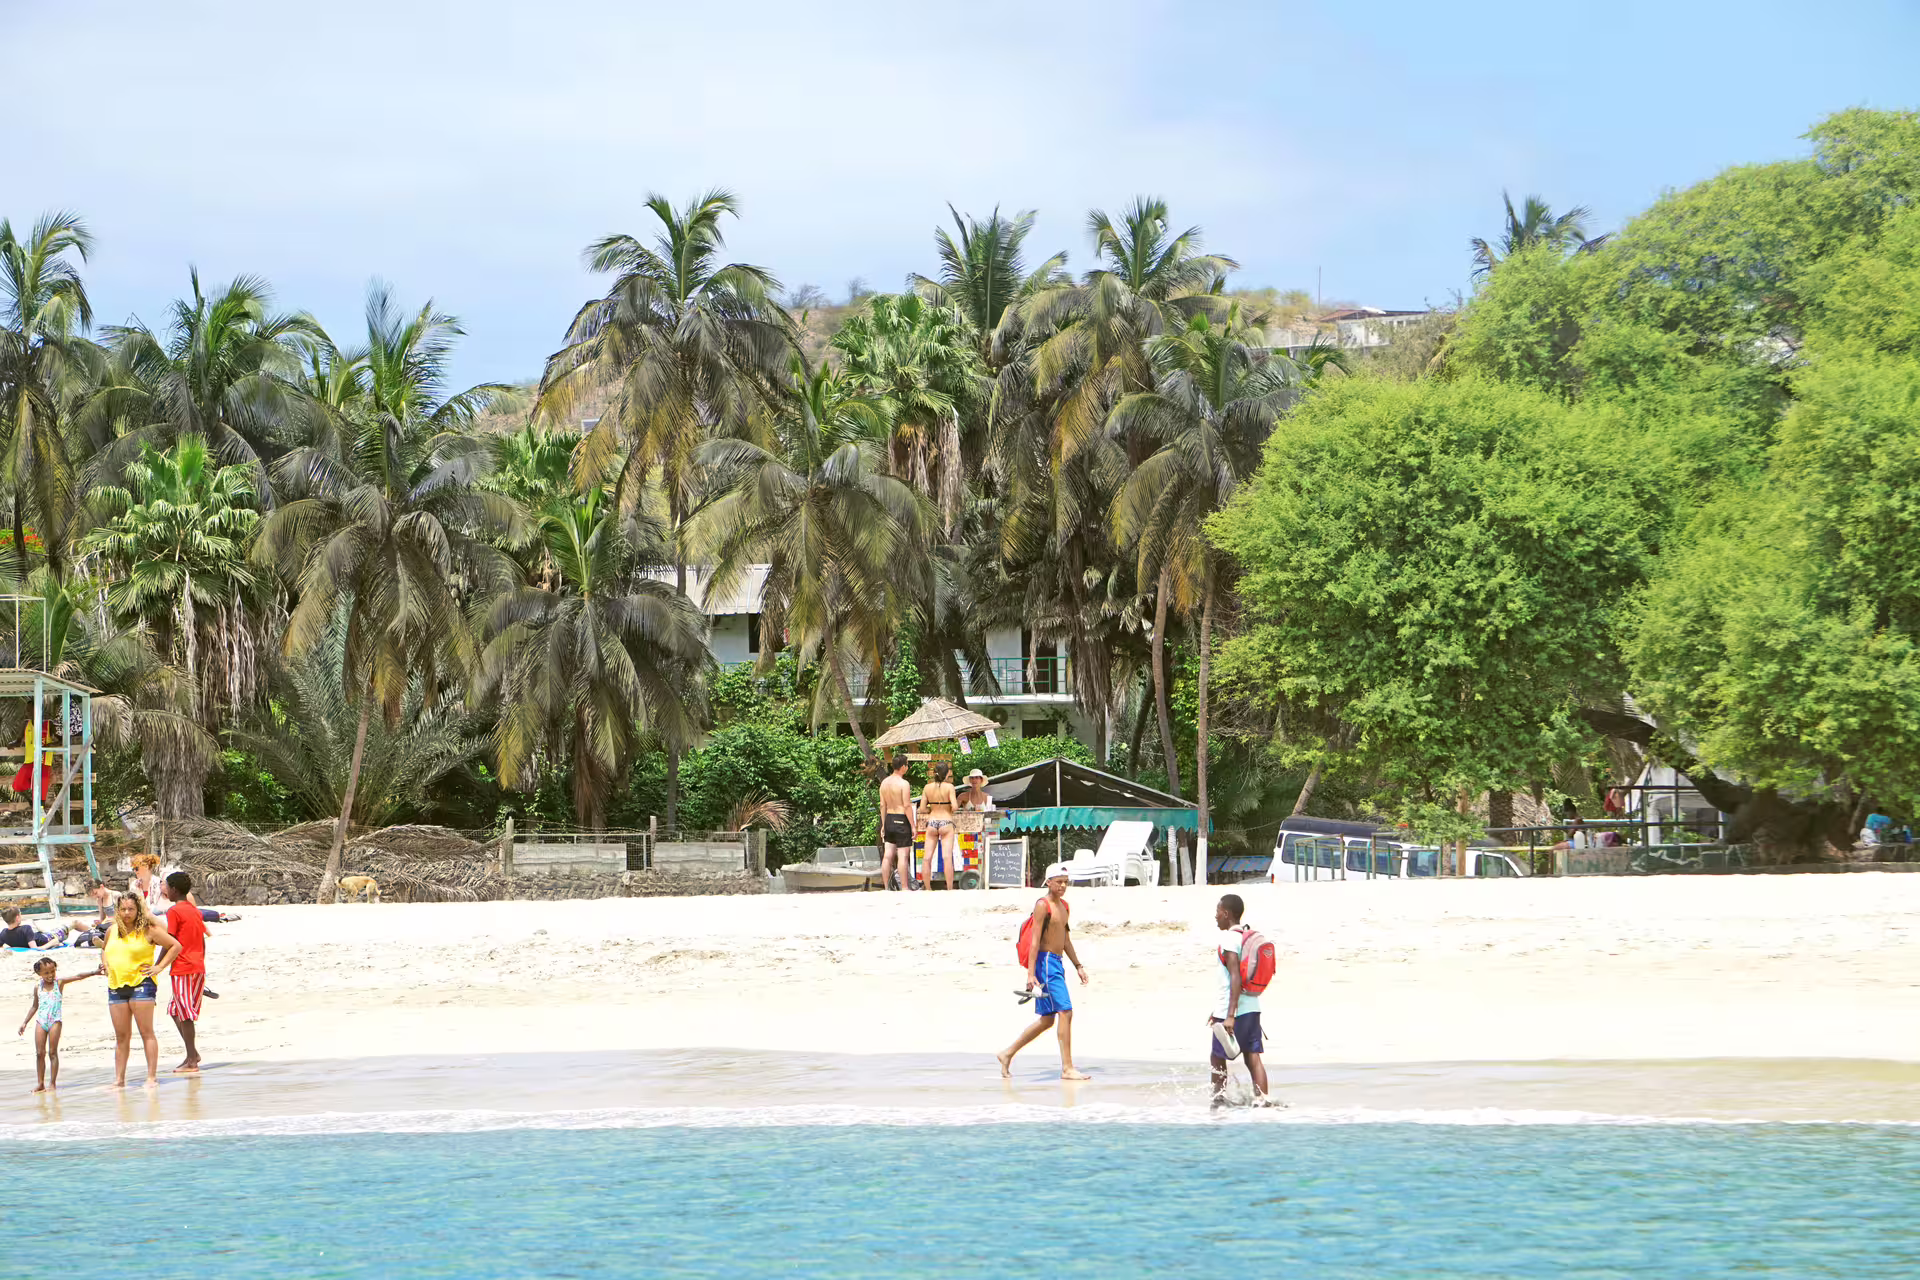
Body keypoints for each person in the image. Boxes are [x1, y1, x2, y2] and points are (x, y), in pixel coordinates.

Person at [997, 865, 1090, 1081]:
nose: (1063, 886)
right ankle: (1067, 1068)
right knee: (1065, 1012)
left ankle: (1006, 1054)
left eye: (1066, 881)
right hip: (1045, 963)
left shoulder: (1065, 906)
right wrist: (1030, 975)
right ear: (1048, 882)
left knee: (1047, 1020)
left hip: (1057, 963)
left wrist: (1078, 966)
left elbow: (1065, 939)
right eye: (1059, 881)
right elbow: (1035, 941)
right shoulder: (1042, 905)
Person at [99, 891, 180, 1088]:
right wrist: (106, 965)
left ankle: (151, 1077)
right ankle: (119, 1080)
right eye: (123, 909)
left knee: (146, 1032)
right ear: (118, 910)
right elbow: (104, 950)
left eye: (131, 909)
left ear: (138, 910)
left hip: (142, 985)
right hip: (116, 985)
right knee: (121, 1036)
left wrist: (159, 967)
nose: (127, 913)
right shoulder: (112, 930)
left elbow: (175, 946)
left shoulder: (148, 930)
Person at [1209, 893, 1269, 1105]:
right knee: (1252, 1057)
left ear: (1226, 913)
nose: (1215, 916)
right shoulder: (1245, 935)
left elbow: (1235, 975)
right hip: (1252, 1006)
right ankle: (1263, 1101)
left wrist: (1229, 1015)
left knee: (1217, 1057)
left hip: (1232, 1010)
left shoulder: (1228, 939)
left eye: (1217, 912)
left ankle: (1218, 1102)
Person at [17, 956, 96, 1091]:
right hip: (41, 1021)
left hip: (55, 1021)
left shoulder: (59, 983)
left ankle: (52, 1083)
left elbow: (78, 976)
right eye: (46, 973)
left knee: (52, 1053)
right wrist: (25, 1022)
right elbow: (35, 1006)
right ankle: (40, 1083)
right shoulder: (37, 987)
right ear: (39, 974)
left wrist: (94, 972)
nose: (50, 975)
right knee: (39, 1053)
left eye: (52, 971)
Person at [161, 871, 208, 1073]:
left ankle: (191, 1060)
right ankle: (193, 1053)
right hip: (197, 966)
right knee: (175, 1010)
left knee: (185, 1014)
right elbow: (202, 939)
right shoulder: (195, 910)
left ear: (174, 889)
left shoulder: (174, 911)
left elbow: (169, 941)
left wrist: (158, 964)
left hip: (183, 968)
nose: (164, 890)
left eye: (166, 886)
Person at [878, 756, 917, 892]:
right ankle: (905, 887)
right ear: (903, 767)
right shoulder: (903, 783)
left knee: (888, 855)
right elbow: (906, 805)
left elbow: (882, 805)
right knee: (903, 855)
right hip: (901, 818)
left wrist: (883, 824)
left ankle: (886, 887)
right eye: (907, 765)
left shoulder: (884, 783)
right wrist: (913, 825)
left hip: (888, 818)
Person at [919, 763, 958, 891]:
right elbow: (955, 806)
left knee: (927, 857)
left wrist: (932, 808)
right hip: (946, 822)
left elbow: (922, 809)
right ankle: (950, 888)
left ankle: (928, 888)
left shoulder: (927, 787)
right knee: (947, 857)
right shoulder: (950, 787)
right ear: (947, 774)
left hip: (932, 822)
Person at [0, 906, 66, 950]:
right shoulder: (26, 928)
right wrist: (52, 943)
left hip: (38, 936)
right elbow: (34, 949)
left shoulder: (3, 933)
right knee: (71, 925)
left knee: (36, 927)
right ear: (17, 918)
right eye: (20, 914)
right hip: (48, 938)